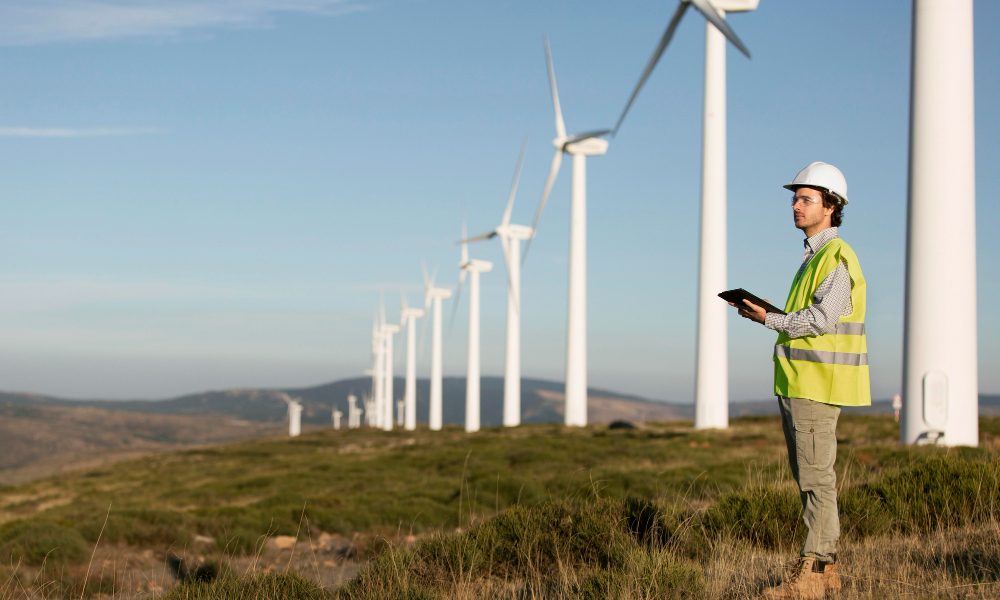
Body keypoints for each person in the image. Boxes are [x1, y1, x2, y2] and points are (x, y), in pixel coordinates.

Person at [735, 161, 870, 599]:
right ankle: (826, 572)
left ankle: (813, 571)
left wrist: (770, 318)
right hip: (800, 383)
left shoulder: (835, 257)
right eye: (795, 198)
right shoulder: (813, 258)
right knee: (810, 477)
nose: (796, 205)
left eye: (806, 199)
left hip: (817, 384)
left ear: (830, 206)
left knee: (815, 479)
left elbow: (822, 319)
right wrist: (768, 316)